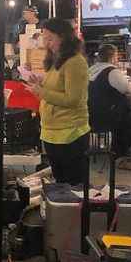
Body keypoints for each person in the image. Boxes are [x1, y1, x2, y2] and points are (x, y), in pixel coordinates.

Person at [26, 18, 90, 185]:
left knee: (73, 186)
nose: (46, 43)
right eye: (44, 38)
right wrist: (39, 85)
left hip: (70, 133)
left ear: (64, 37)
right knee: (60, 184)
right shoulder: (55, 61)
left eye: (50, 39)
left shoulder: (75, 62)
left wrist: (42, 91)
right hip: (51, 131)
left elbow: (73, 99)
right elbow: (53, 92)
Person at [88, 44, 131, 158]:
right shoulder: (111, 71)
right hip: (109, 116)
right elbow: (128, 89)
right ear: (113, 57)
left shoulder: (91, 69)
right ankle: (123, 151)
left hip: (92, 114)